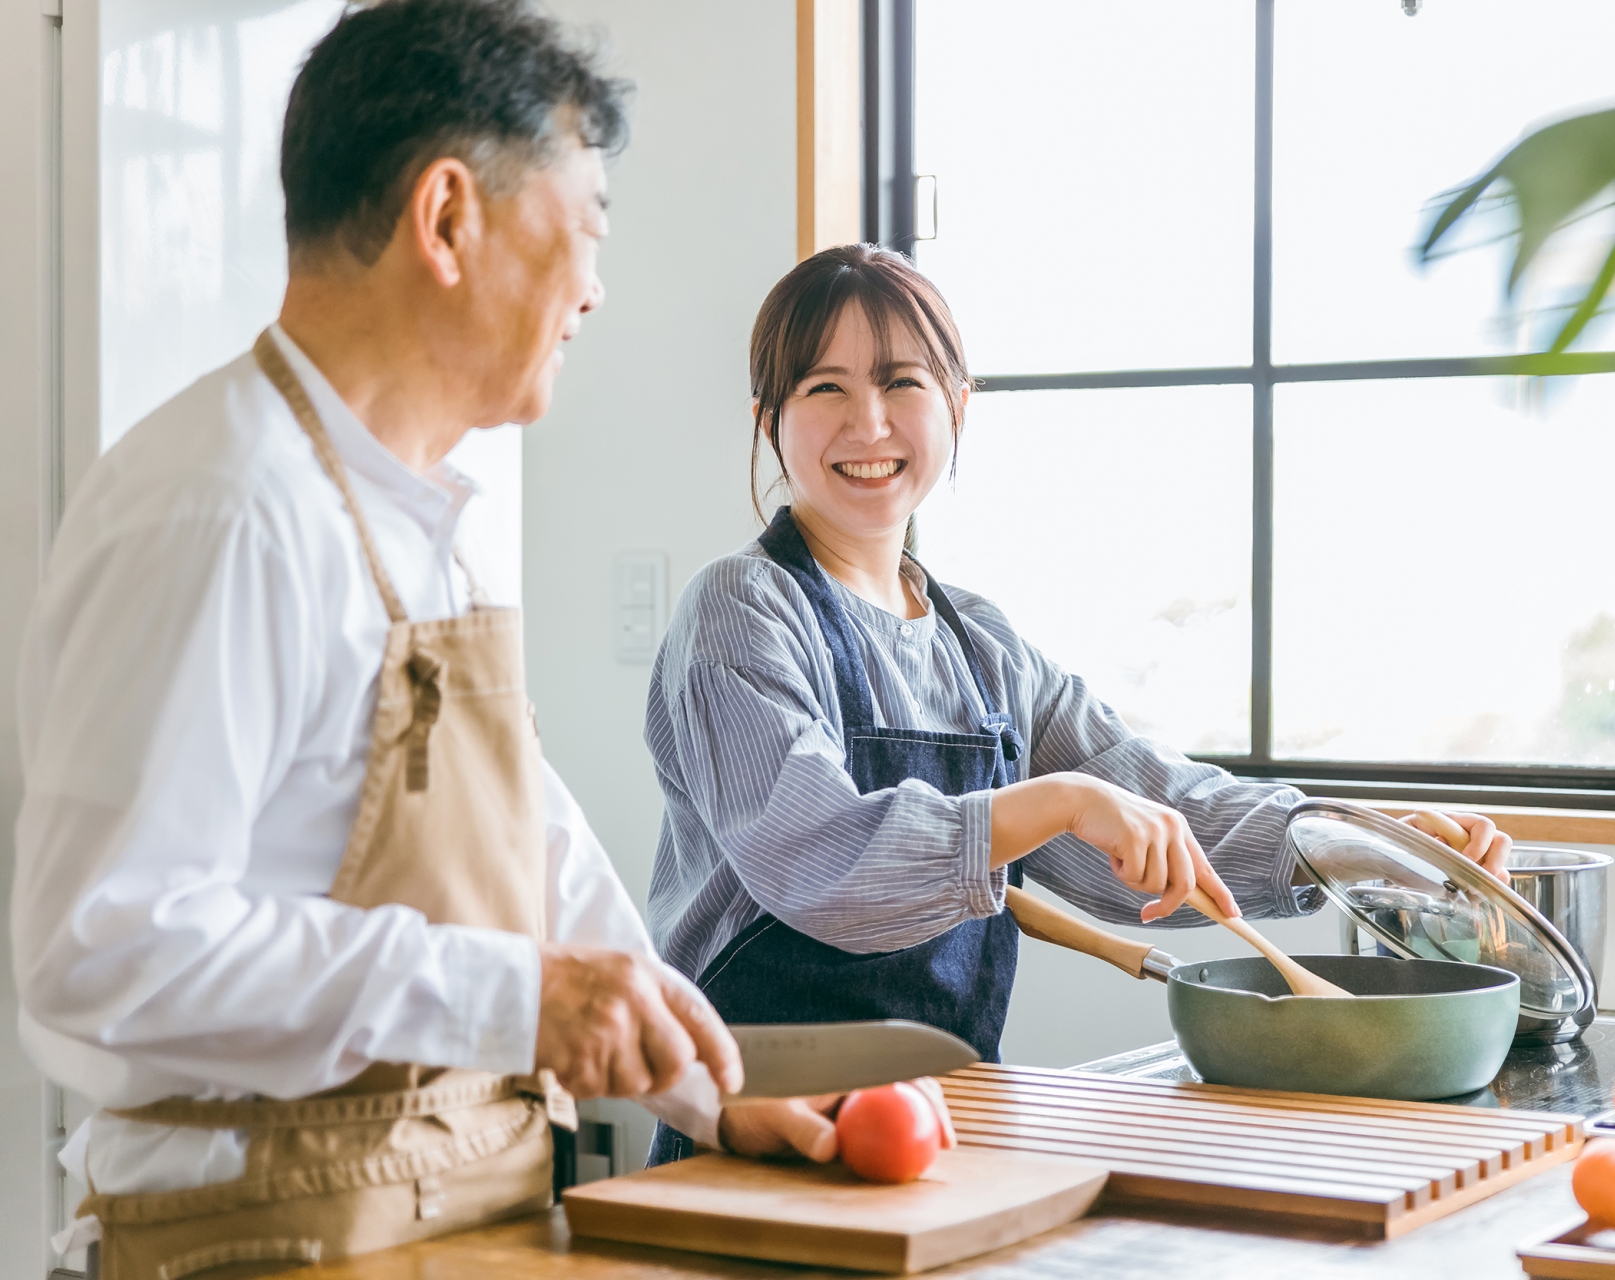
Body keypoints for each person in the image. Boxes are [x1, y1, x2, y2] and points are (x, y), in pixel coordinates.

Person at [12, 3, 741, 1275]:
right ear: (448, 218)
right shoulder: (226, 503)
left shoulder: (423, 514)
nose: (594, 288)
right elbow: (104, 944)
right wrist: (518, 998)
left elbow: (532, 851)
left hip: (452, 1212)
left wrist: (716, 1096)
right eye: (587, 227)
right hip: (260, 1239)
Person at [641, 244, 1513, 1165]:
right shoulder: (739, 608)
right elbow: (821, 860)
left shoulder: (982, 645)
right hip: (752, 1135)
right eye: (824, 388)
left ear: (957, 407)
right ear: (768, 420)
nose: (868, 421)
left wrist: (1361, 844)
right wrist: (1053, 802)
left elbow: (1148, 806)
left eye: (902, 382)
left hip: (942, 1131)